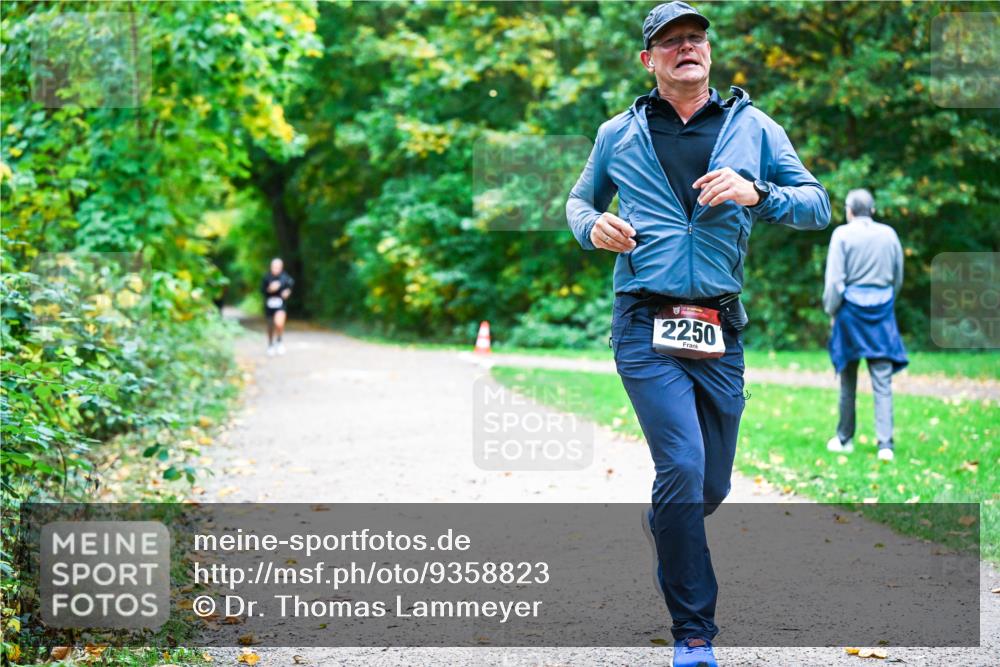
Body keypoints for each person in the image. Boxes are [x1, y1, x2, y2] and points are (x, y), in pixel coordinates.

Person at [565, 3, 830, 665]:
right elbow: (579, 201)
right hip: (642, 320)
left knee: (709, 487)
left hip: (719, 325)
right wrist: (592, 227)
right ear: (648, 60)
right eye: (671, 41)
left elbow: (816, 203)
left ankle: (667, 524)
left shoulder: (755, 128)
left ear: (709, 52)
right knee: (680, 465)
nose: (688, 47)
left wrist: (756, 192)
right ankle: (694, 633)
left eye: (696, 38)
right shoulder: (617, 135)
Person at [823, 189, 907, 461]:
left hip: (850, 315)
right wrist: (885, 302)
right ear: (871, 210)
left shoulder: (842, 235)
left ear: (849, 210)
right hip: (881, 313)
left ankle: (845, 439)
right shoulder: (889, 234)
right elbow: (897, 277)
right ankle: (885, 446)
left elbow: (835, 282)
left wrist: (831, 310)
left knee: (848, 380)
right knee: (882, 382)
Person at [261, 257, 294, 356]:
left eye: (278, 267)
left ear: (281, 267)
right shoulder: (266, 277)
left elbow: (290, 285)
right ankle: (270, 344)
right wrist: (270, 289)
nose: (276, 269)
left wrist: (287, 292)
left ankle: (279, 341)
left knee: (279, 323)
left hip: (280, 304)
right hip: (269, 305)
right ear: (271, 267)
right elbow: (262, 291)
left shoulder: (285, 277)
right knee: (270, 325)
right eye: (274, 267)